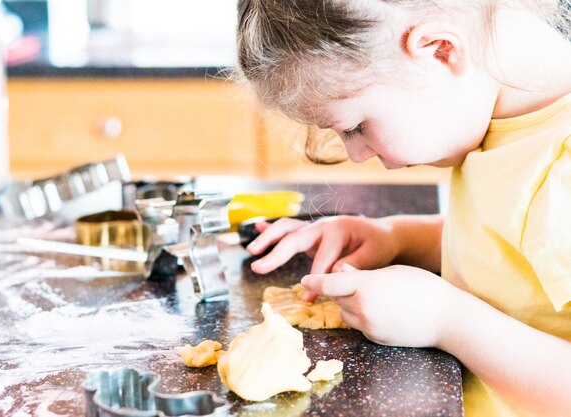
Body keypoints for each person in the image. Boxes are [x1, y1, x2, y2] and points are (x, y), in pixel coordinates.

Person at [236, 1, 571, 416]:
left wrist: (446, 319)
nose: (356, 154)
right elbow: (514, 252)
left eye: (355, 127)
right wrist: (395, 237)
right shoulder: (499, 118)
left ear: (440, 51)